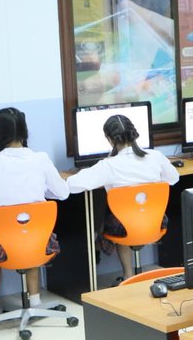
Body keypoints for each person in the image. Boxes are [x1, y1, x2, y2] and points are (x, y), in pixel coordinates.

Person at [0, 107, 70, 318]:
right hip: (40, 241)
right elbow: (63, 193)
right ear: (25, 132)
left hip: (4, 245)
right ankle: (35, 302)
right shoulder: (41, 159)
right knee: (29, 236)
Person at [67, 114, 179, 281]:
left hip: (124, 227)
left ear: (109, 139)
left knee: (115, 216)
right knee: (123, 216)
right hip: (156, 222)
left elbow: (73, 185)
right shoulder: (155, 157)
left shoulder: (108, 166)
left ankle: (127, 275)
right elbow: (173, 178)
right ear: (134, 134)